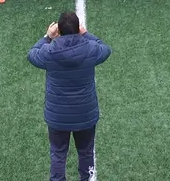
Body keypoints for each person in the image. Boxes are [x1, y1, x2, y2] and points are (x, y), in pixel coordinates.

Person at [27, 11, 111, 181]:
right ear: (78, 28)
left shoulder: (49, 51)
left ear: (58, 30)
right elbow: (105, 49)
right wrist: (86, 34)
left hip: (57, 116)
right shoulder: (91, 48)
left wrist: (47, 37)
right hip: (85, 114)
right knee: (86, 152)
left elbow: (32, 54)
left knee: (58, 153)